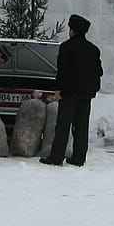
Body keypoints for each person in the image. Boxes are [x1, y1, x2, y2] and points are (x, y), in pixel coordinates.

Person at [41, 13, 103, 167]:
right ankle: (79, 158)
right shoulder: (93, 49)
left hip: (68, 93)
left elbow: (62, 71)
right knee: (81, 126)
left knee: (63, 126)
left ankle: (56, 157)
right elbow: (99, 71)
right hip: (86, 94)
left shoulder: (66, 47)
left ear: (72, 30)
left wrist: (58, 89)